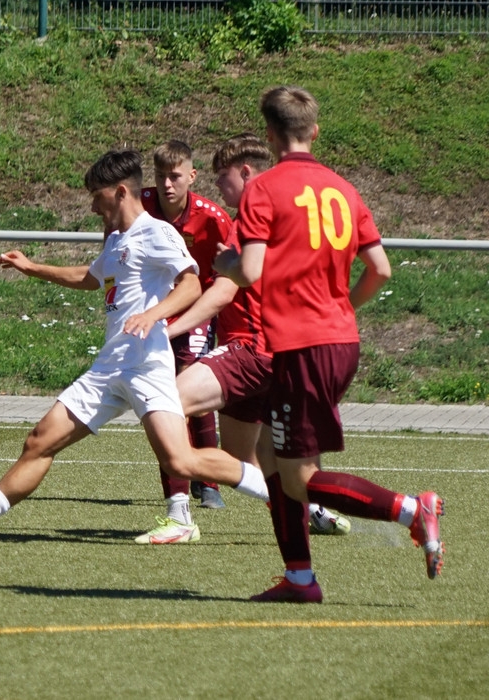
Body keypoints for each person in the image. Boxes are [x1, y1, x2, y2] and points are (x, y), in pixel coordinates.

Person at [0, 149, 267, 544]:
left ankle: (283, 496)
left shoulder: (158, 232)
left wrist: (153, 315)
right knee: (39, 441)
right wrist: (31, 267)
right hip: (109, 367)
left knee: (180, 460)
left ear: (121, 192)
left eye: (97, 197)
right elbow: (89, 276)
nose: (93, 207)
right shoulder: (117, 239)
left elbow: (190, 284)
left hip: (146, 365)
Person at [214, 86, 444, 602]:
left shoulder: (264, 188)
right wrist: (342, 309)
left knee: (299, 478)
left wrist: (223, 262)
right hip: (336, 341)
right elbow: (380, 269)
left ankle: (412, 509)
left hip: (301, 347)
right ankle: (299, 578)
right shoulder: (344, 188)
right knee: (273, 458)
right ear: (314, 131)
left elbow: (249, 270)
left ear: (270, 135)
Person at [133, 133, 348, 545]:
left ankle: (179, 515)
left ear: (245, 173)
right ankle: (313, 512)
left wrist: (167, 327)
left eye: (222, 176)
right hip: (283, 349)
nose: (217, 185)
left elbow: (223, 292)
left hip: (251, 347)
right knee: (241, 458)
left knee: (166, 401)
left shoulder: (249, 219)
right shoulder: (289, 214)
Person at [142, 140, 232, 510]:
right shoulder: (140, 205)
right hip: (153, 309)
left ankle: (208, 483)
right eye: (161, 176)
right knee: (161, 392)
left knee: (191, 384)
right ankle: (177, 489)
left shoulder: (212, 218)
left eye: (175, 176)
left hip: (196, 310)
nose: (167, 184)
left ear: (191, 176)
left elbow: (231, 273)